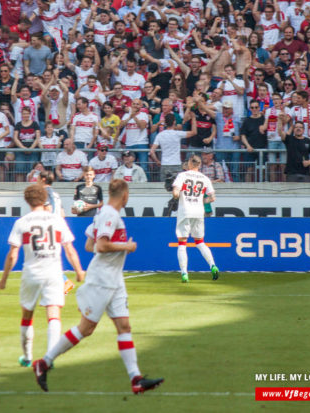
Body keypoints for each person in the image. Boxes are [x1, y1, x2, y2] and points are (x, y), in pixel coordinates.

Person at [32, 180, 164, 394]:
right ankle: (44, 363)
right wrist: (126, 246)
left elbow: (89, 244)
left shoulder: (105, 214)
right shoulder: (109, 215)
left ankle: (136, 379)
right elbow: (101, 246)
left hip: (114, 279)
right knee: (86, 328)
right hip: (102, 279)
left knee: (124, 327)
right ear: (125, 195)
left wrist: (117, 249)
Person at [0, 184, 85, 368]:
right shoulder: (57, 221)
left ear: (27, 200)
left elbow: (13, 254)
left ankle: (27, 357)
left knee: (27, 315)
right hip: (53, 272)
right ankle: (49, 359)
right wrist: (78, 270)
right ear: (45, 198)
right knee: (53, 314)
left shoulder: (22, 222)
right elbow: (69, 249)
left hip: (31, 272)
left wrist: (4, 278)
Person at [172, 155, 219, 283]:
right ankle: (213, 265)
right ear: (199, 165)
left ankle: (184, 273)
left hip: (185, 211)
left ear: (189, 163)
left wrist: (175, 196)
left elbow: (176, 192)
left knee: (182, 243)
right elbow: (212, 197)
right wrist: (202, 201)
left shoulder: (182, 176)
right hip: (199, 212)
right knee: (200, 242)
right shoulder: (205, 178)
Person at [150, 113, 197, 182]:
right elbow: (194, 132)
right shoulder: (178, 134)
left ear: (165, 123)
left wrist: (157, 161)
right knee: (177, 188)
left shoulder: (160, 135)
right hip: (176, 164)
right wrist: (193, 118)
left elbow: (152, 151)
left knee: (164, 188)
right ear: (174, 122)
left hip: (165, 164)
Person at [277, 117, 310, 182]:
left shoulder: (308, 141)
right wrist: (279, 119)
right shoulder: (289, 139)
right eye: (296, 127)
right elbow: (280, 131)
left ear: (303, 130)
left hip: (305, 173)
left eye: (300, 127)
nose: (298, 129)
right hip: (291, 173)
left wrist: (309, 162)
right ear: (294, 129)